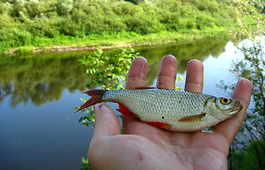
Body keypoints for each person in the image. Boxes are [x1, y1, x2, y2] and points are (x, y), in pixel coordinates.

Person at [87, 55, 252, 170]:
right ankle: (103, 95)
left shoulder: (208, 115)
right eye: (224, 101)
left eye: (225, 101)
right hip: (143, 105)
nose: (229, 103)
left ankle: (103, 95)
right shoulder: (205, 115)